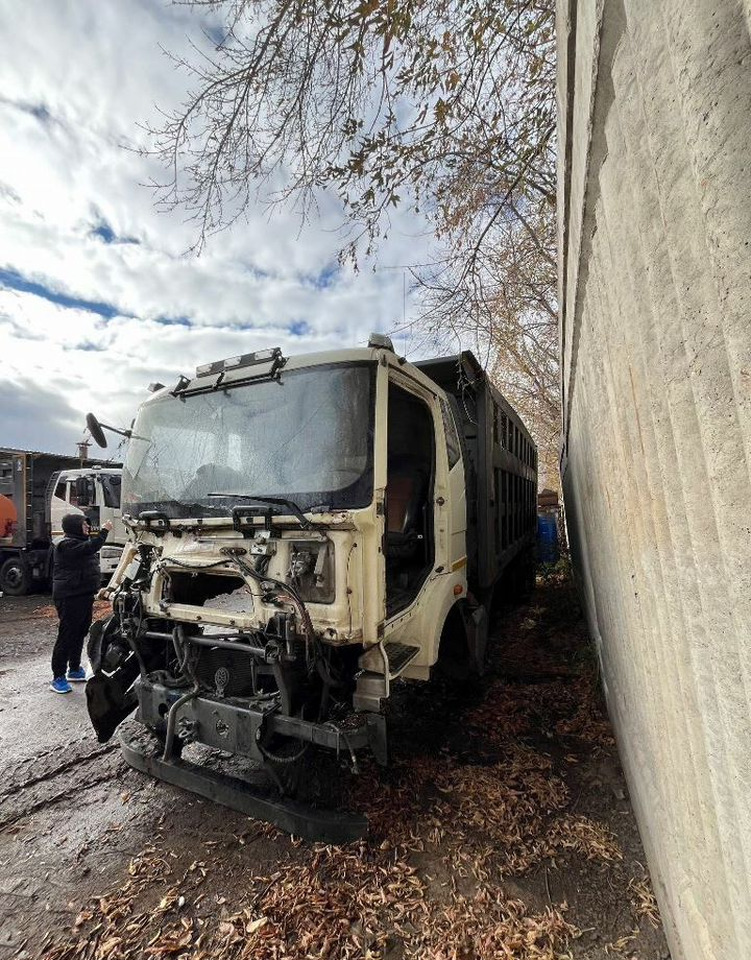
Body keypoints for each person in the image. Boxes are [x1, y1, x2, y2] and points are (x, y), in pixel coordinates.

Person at [50, 514, 113, 694]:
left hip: (83, 595)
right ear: (74, 527)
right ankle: (58, 677)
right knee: (67, 634)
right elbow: (91, 546)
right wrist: (104, 531)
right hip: (69, 596)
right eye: (83, 524)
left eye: (87, 523)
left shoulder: (77, 542)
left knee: (80, 631)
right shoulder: (65, 544)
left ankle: (75, 669)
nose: (87, 527)